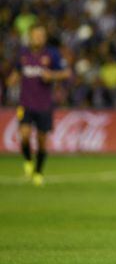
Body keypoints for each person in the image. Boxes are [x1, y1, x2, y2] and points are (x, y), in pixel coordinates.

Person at [6, 24, 71, 186]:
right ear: (30, 36)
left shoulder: (52, 54)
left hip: (44, 105)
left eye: (41, 35)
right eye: (36, 35)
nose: (39, 38)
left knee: (42, 140)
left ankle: (38, 171)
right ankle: (28, 159)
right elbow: (16, 72)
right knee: (25, 135)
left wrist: (52, 75)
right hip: (25, 103)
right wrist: (12, 79)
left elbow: (67, 73)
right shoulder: (23, 54)